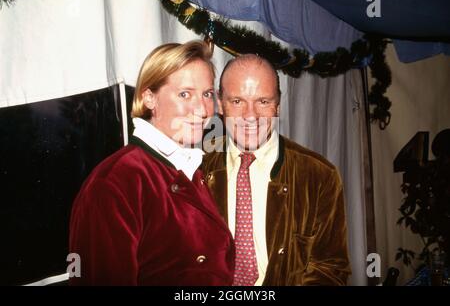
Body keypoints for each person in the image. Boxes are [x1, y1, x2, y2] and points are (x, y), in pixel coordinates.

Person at [69, 40, 235, 285]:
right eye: (184, 94)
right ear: (149, 98)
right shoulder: (116, 182)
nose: (202, 110)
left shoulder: (190, 167)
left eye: (207, 94)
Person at [202, 54, 351, 285]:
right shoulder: (196, 170)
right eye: (237, 101)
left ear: (278, 106)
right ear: (220, 104)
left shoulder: (319, 176)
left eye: (263, 101)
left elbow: (330, 269)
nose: (250, 116)